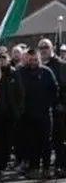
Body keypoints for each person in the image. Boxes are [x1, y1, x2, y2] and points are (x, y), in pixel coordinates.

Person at [18, 47, 59, 178]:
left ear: (39, 59)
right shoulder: (21, 73)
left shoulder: (47, 72)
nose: (33, 62)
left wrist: (50, 103)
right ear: (27, 59)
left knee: (46, 142)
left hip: (45, 114)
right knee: (31, 143)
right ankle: (33, 168)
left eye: (35, 59)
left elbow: (55, 89)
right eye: (31, 60)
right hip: (28, 115)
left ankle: (46, 168)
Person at [0, 50, 24, 181]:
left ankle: (2, 167)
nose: (1, 61)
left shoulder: (14, 73)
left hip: (9, 114)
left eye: (3, 58)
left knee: (7, 143)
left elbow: (19, 93)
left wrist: (17, 111)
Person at [38, 38, 66, 175]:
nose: (43, 50)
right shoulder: (38, 66)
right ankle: (47, 167)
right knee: (46, 140)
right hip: (43, 110)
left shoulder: (61, 65)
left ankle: (61, 166)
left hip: (59, 110)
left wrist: (61, 103)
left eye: (46, 47)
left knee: (59, 140)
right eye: (41, 47)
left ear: (52, 49)